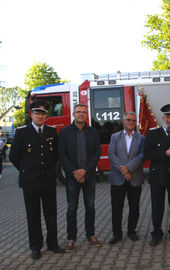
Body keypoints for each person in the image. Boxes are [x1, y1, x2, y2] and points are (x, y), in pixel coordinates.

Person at [9, 100, 64, 260]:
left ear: (46, 116)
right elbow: (14, 156)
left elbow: (55, 156)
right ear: (31, 114)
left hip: (47, 179)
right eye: (37, 113)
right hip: (30, 181)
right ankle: (35, 247)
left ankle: (53, 244)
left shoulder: (51, 131)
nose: (40, 116)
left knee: (51, 214)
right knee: (33, 215)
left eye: (43, 114)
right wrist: (26, 170)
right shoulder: (22, 132)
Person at [58, 104, 102, 252]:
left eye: (83, 112)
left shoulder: (93, 132)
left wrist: (85, 170)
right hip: (72, 176)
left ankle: (91, 235)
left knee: (90, 206)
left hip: (89, 175)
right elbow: (62, 154)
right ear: (73, 114)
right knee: (71, 208)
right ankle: (71, 238)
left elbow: (97, 153)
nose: (81, 114)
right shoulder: (64, 132)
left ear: (86, 115)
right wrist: (75, 172)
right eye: (78, 112)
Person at [144, 104, 170, 246]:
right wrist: (164, 153)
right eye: (167, 117)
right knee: (157, 207)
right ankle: (156, 234)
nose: (169, 120)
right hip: (158, 177)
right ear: (163, 118)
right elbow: (147, 154)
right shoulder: (152, 134)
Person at [107, 112, 145, 245]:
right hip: (118, 178)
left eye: (133, 121)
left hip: (135, 177)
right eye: (128, 120)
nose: (131, 122)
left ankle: (131, 231)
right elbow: (111, 154)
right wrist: (123, 170)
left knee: (134, 207)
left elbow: (141, 156)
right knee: (117, 207)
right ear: (123, 121)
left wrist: (128, 168)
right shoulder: (115, 137)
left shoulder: (141, 138)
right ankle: (117, 234)